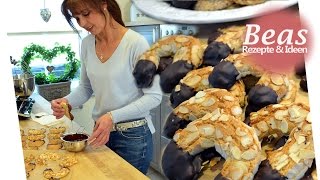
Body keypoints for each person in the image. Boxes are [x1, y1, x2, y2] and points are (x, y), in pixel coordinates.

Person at [51, 0, 162, 174]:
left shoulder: (136, 43)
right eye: (77, 18)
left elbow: (154, 96)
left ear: (103, 4)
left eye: (86, 14)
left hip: (133, 137)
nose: (83, 24)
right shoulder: (87, 44)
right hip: (100, 132)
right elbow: (86, 88)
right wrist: (67, 101)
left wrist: (112, 116)